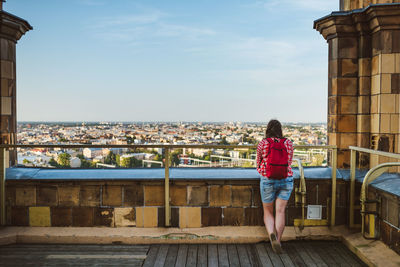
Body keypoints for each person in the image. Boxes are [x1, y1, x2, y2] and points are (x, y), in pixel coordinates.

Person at [256, 119, 294, 254]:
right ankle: (278, 240)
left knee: (268, 211)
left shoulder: (263, 143)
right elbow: (289, 162)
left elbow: (258, 163)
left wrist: (264, 172)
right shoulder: (288, 143)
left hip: (268, 179)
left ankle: (271, 233)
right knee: (280, 211)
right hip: (286, 179)